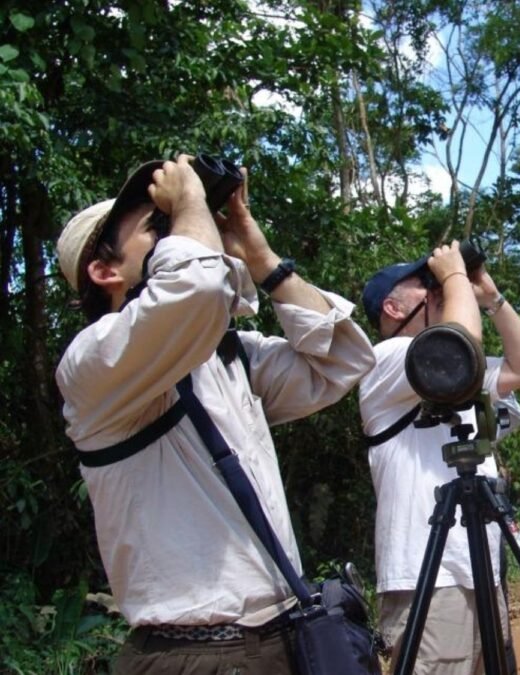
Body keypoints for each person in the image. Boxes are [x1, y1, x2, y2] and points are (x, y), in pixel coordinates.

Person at [54, 155, 376, 673]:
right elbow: (198, 289)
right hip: (193, 655)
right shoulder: (93, 366)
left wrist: (257, 254)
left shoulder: (227, 356)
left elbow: (341, 361)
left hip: (284, 639)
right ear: (104, 270)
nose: (184, 226)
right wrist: (188, 204)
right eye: (158, 226)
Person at [358, 246, 520, 674]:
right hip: (427, 575)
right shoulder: (384, 360)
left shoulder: (452, 369)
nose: (438, 289)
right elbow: (462, 342)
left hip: (479, 569)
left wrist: (491, 297)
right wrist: (455, 276)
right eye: (426, 285)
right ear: (393, 307)